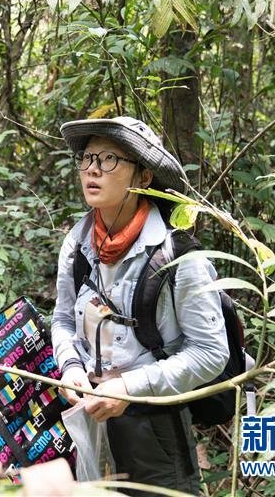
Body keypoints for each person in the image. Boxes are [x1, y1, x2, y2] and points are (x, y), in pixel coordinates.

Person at [51, 116, 228, 494]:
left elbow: (211, 352)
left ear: (144, 177)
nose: (93, 169)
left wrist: (128, 387)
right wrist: (69, 367)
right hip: (89, 418)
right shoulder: (78, 242)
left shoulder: (179, 256)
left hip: (154, 425)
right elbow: (63, 319)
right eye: (88, 157)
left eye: (110, 159)